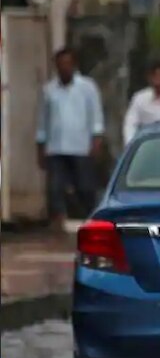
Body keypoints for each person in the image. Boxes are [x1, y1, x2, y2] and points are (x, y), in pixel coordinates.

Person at [36, 46, 105, 230]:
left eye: (68, 64)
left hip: (80, 146)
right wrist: (41, 144)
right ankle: (57, 221)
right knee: (55, 187)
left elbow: (96, 115)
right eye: (60, 64)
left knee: (85, 186)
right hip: (56, 147)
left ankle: (91, 218)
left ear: (74, 65)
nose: (64, 68)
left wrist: (96, 139)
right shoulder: (49, 90)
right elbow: (43, 119)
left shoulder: (87, 87)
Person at [122, 61, 160, 146]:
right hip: (146, 143)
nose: (159, 79)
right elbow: (130, 124)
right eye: (156, 76)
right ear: (150, 78)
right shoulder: (139, 98)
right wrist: (130, 144)